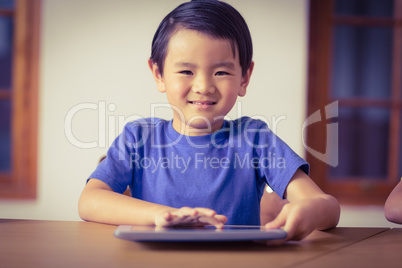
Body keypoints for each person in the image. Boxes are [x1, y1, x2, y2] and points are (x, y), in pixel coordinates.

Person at [78, 0, 340, 244]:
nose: (203, 86)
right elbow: (89, 201)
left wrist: (310, 211)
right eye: (186, 71)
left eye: (221, 72)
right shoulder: (138, 137)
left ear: (244, 78)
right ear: (158, 74)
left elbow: (328, 207)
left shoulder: (255, 138)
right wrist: (165, 216)